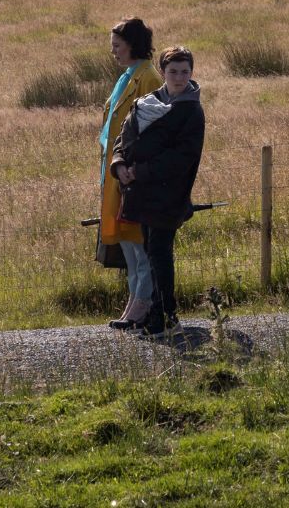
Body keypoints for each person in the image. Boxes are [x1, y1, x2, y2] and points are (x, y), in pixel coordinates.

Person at [112, 46, 207, 338]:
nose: (179, 77)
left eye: (185, 71)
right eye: (173, 71)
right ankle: (156, 316)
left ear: (191, 73)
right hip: (142, 193)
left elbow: (182, 157)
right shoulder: (145, 103)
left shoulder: (191, 110)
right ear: (163, 72)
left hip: (170, 193)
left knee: (159, 253)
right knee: (152, 253)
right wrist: (120, 165)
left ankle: (167, 318)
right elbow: (123, 138)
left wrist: (140, 171)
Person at [99, 18, 165, 331]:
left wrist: (134, 168)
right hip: (116, 168)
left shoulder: (148, 77)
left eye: (117, 45)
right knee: (127, 241)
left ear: (132, 44)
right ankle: (134, 303)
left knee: (138, 242)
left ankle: (144, 305)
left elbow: (153, 129)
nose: (113, 51)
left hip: (132, 173)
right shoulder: (128, 76)